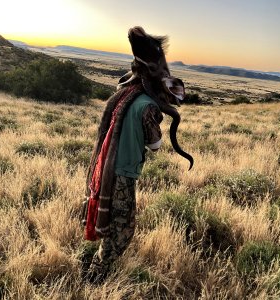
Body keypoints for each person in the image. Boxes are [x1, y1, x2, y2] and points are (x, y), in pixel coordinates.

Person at [83, 26, 193, 284]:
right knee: (123, 229)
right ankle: (97, 273)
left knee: (113, 221)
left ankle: (99, 264)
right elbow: (155, 146)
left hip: (108, 165)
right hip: (123, 171)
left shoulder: (125, 94)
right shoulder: (148, 107)